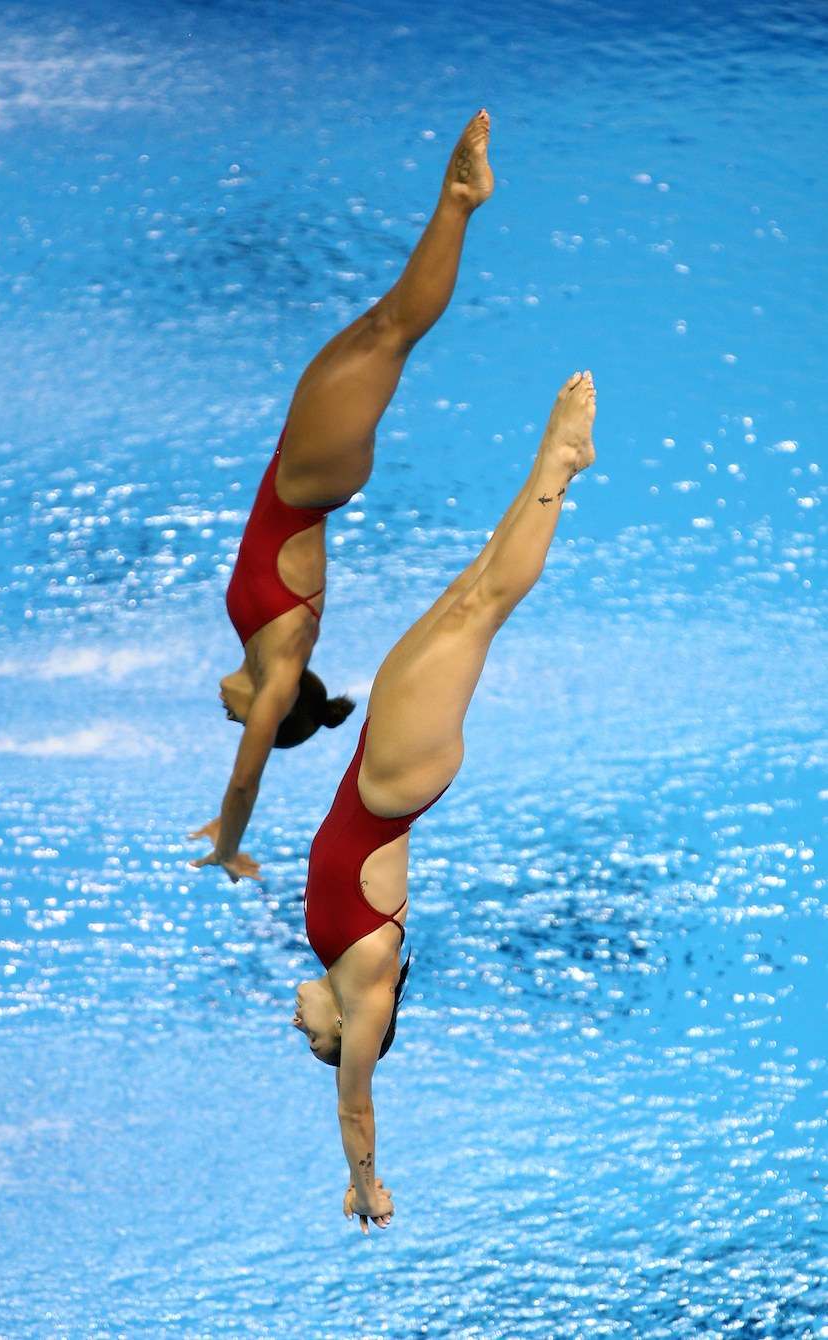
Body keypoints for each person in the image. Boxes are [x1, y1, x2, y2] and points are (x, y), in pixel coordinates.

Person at [293, 371, 597, 1233]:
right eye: (308, 1040)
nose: (296, 1023)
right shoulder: (367, 1003)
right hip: (395, 781)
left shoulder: (341, 968)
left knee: (472, 591)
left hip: (376, 765)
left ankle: (560, 462)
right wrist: (364, 1184)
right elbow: (356, 1109)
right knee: (485, 607)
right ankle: (561, 460)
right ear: (343, 1038)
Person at [189, 109, 494, 883]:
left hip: (298, 467)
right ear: (278, 714)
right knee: (391, 330)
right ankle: (461, 199)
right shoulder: (279, 672)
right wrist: (228, 841)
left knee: (383, 326)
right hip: (309, 481)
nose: (226, 716)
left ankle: (458, 200)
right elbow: (249, 771)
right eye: (247, 721)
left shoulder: (262, 652)